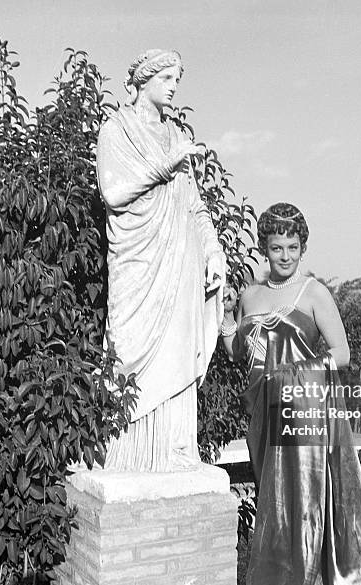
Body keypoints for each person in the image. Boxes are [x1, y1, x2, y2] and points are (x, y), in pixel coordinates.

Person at [222, 203, 361, 585]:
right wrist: (227, 318)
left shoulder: (314, 292)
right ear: (264, 247)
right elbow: (239, 354)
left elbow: (342, 353)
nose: (285, 256)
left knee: (305, 512)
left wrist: (292, 372)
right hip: (261, 419)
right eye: (277, 247)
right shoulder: (250, 294)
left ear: (303, 248)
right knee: (276, 514)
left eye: (293, 247)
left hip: (302, 414)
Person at [96, 49, 225, 471]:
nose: (173, 87)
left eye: (177, 80)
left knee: (177, 351)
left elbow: (195, 205)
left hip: (181, 263)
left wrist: (214, 250)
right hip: (138, 263)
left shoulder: (175, 135)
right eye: (167, 78)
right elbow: (113, 193)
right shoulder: (117, 129)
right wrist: (165, 165)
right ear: (145, 80)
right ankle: (124, 451)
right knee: (128, 350)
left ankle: (172, 451)